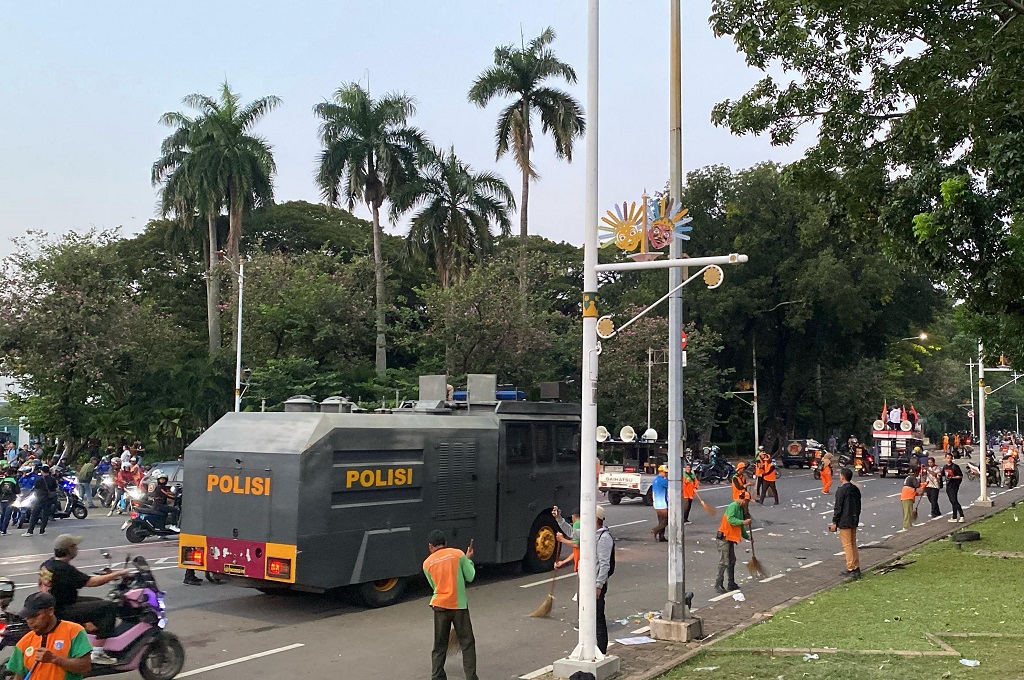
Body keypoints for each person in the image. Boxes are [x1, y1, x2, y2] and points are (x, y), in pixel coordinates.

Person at [38, 535, 130, 664]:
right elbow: (91, 582)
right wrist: (118, 573)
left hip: (55, 604)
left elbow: (75, 578)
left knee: (97, 601)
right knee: (109, 607)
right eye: (75, 546)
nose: (77, 549)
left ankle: (87, 634)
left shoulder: (49, 564)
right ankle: (97, 652)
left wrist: (108, 574)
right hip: (62, 609)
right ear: (69, 549)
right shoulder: (64, 568)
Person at [422, 530, 477, 680]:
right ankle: (471, 677)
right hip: (458, 606)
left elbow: (434, 587)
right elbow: (470, 576)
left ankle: (437, 676)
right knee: (467, 643)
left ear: (430, 546)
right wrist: (469, 559)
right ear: (445, 543)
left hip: (439, 607)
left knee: (439, 646)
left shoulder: (427, 564)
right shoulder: (458, 554)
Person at [5, 592, 92, 680]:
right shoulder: (24, 642)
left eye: (35, 616)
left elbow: (85, 666)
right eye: (27, 617)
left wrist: (54, 659)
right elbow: (19, 676)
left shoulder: (74, 631)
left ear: (50, 611)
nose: (30, 621)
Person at [715, 491, 752, 594]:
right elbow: (731, 520)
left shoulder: (740, 509)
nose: (747, 503)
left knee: (732, 560)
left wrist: (747, 537)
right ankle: (718, 584)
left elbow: (740, 527)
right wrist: (743, 522)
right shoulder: (733, 506)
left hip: (730, 538)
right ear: (743, 499)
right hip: (724, 537)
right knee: (724, 562)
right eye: (747, 501)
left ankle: (731, 583)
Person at [829, 468, 862, 579]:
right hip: (853, 519)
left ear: (842, 477)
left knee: (847, 545)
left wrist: (834, 522)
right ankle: (856, 566)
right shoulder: (855, 489)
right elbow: (858, 505)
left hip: (844, 520)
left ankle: (851, 567)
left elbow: (838, 507)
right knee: (853, 543)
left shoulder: (841, 491)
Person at [593, 504, 614, 654]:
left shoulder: (604, 538)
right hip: (588, 582)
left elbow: (605, 564)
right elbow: (574, 533)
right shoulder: (590, 534)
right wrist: (559, 519)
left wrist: (598, 585)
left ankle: (601, 649)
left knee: (598, 617)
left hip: (597, 584)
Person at [23, 465, 58, 536]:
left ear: (42, 471)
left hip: (39, 499)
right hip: (48, 499)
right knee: (45, 515)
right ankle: (42, 531)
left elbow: (35, 488)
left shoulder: (39, 479)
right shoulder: (52, 479)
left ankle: (30, 531)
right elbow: (55, 489)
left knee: (34, 515)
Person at [942, 453, 965, 523]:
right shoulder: (945, 467)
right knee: (952, 501)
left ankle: (961, 515)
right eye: (947, 458)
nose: (949, 459)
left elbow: (960, 476)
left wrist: (953, 477)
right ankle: (954, 516)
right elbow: (942, 474)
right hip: (948, 485)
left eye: (950, 458)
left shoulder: (955, 466)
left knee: (954, 500)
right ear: (945, 458)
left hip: (954, 485)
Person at [898, 467, 922, 532]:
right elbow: (917, 485)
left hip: (904, 496)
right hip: (908, 496)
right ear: (916, 472)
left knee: (906, 512)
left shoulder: (908, 477)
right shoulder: (913, 478)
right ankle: (906, 526)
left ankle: (908, 524)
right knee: (908, 512)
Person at [650, 465, 669, 542]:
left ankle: (661, 537)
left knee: (661, 521)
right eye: (665, 472)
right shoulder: (662, 480)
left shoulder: (655, 480)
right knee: (667, 520)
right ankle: (655, 530)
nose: (666, 474)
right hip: (663, 504)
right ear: (660, 472)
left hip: (656, 503)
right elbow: (671, 486)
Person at [0, 463, 19, 535]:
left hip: (2, 499)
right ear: (13, 474)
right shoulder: (14, 480)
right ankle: (4, 531)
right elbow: (17, 491)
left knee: (2, 514)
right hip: (10, 500)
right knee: (7, 516)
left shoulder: (2, 480)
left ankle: (0, 528)